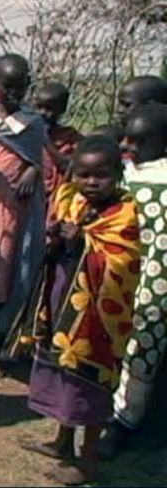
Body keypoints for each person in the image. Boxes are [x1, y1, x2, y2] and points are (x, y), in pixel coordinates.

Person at [17, 136, 140, 485]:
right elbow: (59, 248)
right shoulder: (73, 202)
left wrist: (82, 241)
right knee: (62, 374)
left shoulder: (123, 213)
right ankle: (62, 441)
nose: (91, 182)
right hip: (63, 304)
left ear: (118, 174)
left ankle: (88, 461)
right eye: (84, 175)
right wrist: (58, 237)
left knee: (88, 384)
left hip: (97, 322)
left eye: (101, 175)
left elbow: (121, 262)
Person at [101, 103, 167, 460]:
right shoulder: (126, 174)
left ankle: (123, 423)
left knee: (139, 354)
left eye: (140, 141)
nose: (129, 146)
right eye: (128, 139)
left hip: (151, 284)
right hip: (128, 279)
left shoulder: (144, 179)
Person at [0, 54, 47, 358]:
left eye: (20, 86)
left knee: (8, 266)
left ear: (28, 84)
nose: (14, 93)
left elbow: (39, 159)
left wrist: (33, 170)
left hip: (15, 209)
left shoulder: (33, 124)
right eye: (7, 86)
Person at [35, 82, 83, 200]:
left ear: (62, 109)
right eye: (39, 107)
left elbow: (68, 167)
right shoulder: (29, 133)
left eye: (49, 109)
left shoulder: (70, 136)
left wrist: (45, 139)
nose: (42, 113)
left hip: (57, 196)